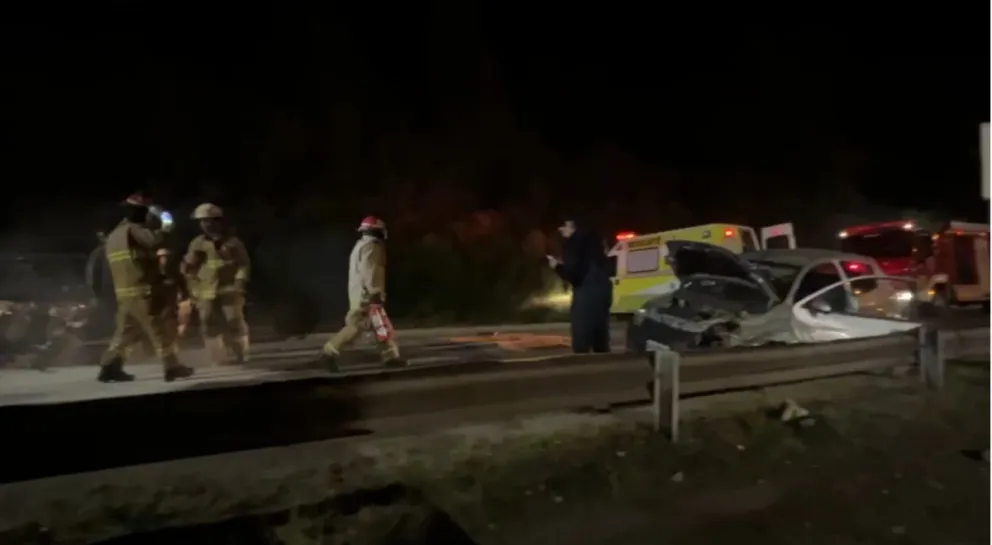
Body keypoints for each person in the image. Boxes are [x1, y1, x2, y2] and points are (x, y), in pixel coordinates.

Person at [97, 193, 195, 383]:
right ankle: (172, 367)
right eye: (145, 212)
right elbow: (156, 240)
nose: (147, 217)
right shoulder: (134, 230)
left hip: (125, 295)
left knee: (124, 334)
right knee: (159, 331)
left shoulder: (114, 236)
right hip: (142, 292)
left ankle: (110, 366)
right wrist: (166, 219)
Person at [315, 216, 406, 371]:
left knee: (380, 327)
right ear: (377, 231)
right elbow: (371, 271)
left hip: (359, 292)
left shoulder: (360, 246)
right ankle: (328, 353)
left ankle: (391, 357)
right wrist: (375, 292)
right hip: (368, 295)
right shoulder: (373, 247)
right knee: (355, 326)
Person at [181, 203, 251, 365]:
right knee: (208, 322)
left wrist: (240, 281)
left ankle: (241, 353)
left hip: (229, 289)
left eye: (209, 221)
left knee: (234, 320)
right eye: (202, 221)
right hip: (206, 291)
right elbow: (188, 269)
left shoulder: (233, 242)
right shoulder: (197, 243)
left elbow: (244, 264)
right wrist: (192, 284)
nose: (206, 224)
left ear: (219, 221)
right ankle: (218, 356)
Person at [548, 218, 613, 353]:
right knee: (600, 335)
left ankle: (582, 366)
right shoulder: (595, 240)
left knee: (581, 336)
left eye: (562, 227)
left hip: (586, 293)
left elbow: (574, 274)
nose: (560, 231)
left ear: (570, 225)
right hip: (604, 291)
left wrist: (557, 266)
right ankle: (604, 364)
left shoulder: (574, 242)